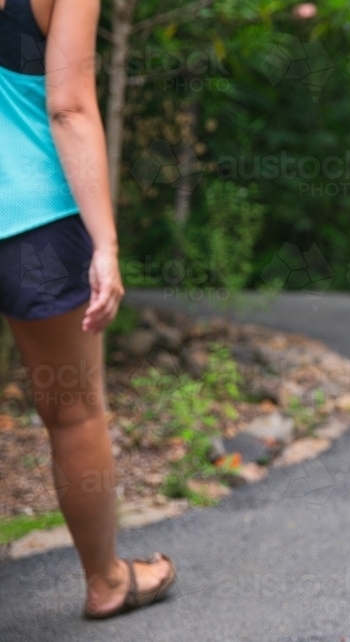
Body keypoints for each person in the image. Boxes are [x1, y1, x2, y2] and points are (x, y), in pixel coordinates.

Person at [0, 0, 176, 619]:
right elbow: (68, 105)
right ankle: (106, 581)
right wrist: (106, 242)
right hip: (33, 222)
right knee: (74, 414)